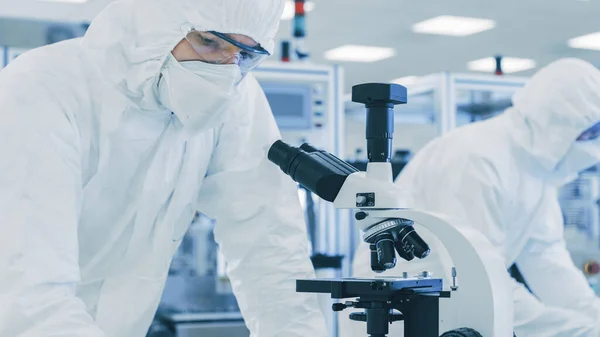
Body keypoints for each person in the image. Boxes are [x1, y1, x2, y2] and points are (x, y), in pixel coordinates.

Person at [0, 0, 328, 336]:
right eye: (208, 42)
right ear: (154, 23)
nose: (225, 71)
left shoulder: (236, 99)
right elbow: (29, 297)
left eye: (245, 54)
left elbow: (269, 246)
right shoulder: (42, 88)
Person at [346, 58, 600, 336]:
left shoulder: (537, 170)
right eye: (592, 132)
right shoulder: (477, 159)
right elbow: (482, 281)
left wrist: (593, 319)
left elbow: (548, 263)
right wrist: (582, 331)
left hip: (458, 313)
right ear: (558, 123)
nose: (594, 144)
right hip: (402, 317)